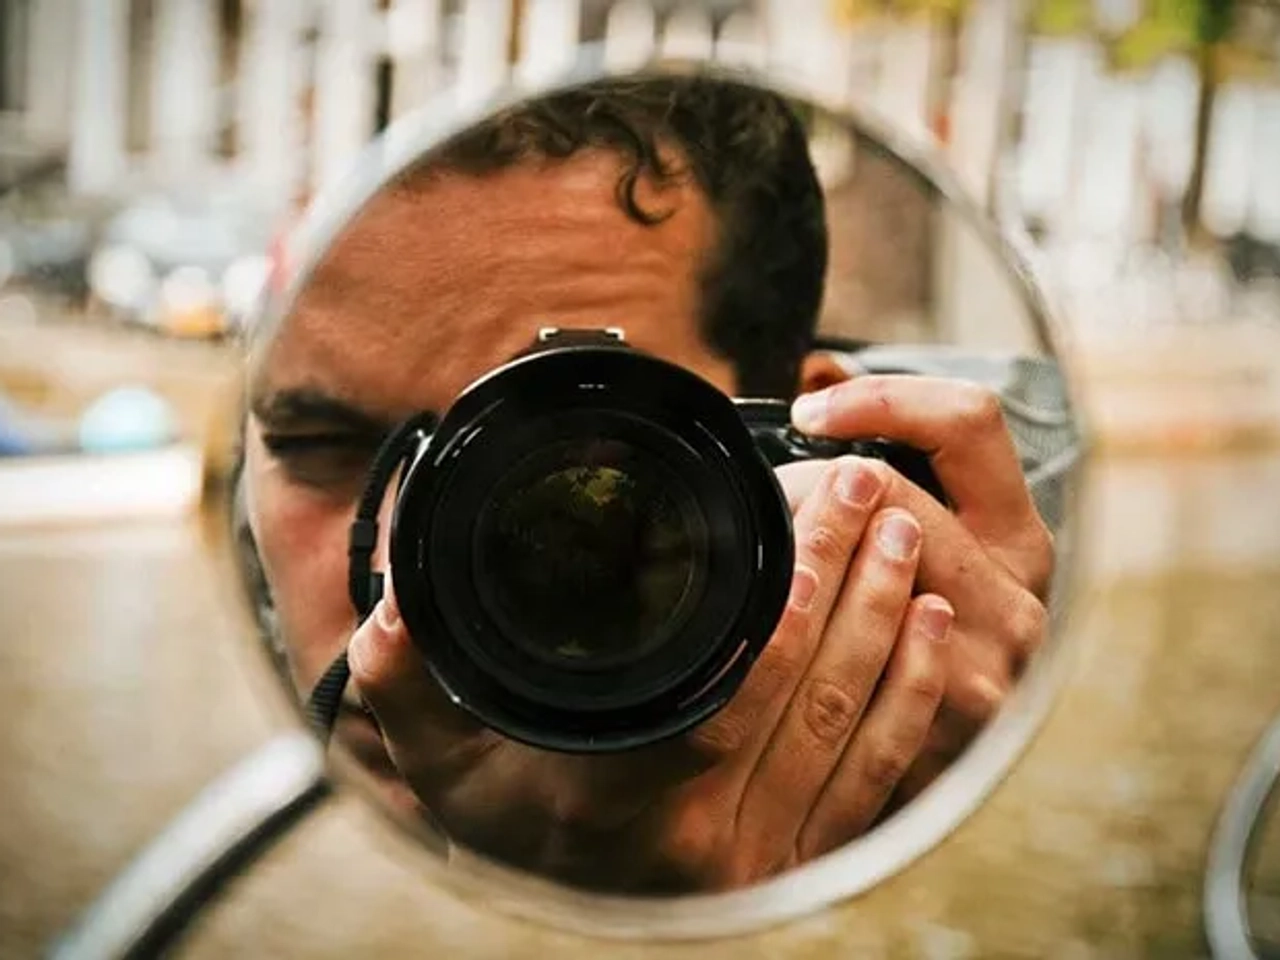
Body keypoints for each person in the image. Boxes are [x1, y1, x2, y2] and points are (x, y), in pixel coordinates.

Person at [237, 74, 1055, 894]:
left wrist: (945, 853)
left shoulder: (953, 657)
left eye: (568, 471)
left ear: (803, 456)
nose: (398, 584)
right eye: (315, 445)